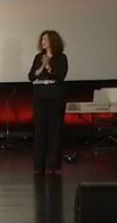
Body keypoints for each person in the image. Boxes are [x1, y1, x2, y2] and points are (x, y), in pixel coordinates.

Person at [28, 30, 68, 174]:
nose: (42, 42)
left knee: (54, 130)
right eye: (42, 39)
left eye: (45, 39)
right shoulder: (38, 57)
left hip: (55, 95)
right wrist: (41, 66)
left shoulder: (61, 58)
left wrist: (48, 66)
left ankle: (53, 165)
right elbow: (31, 76)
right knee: (40, 130)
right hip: (40, 95)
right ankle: (39, 166)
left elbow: (60, 75)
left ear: (53, 41)